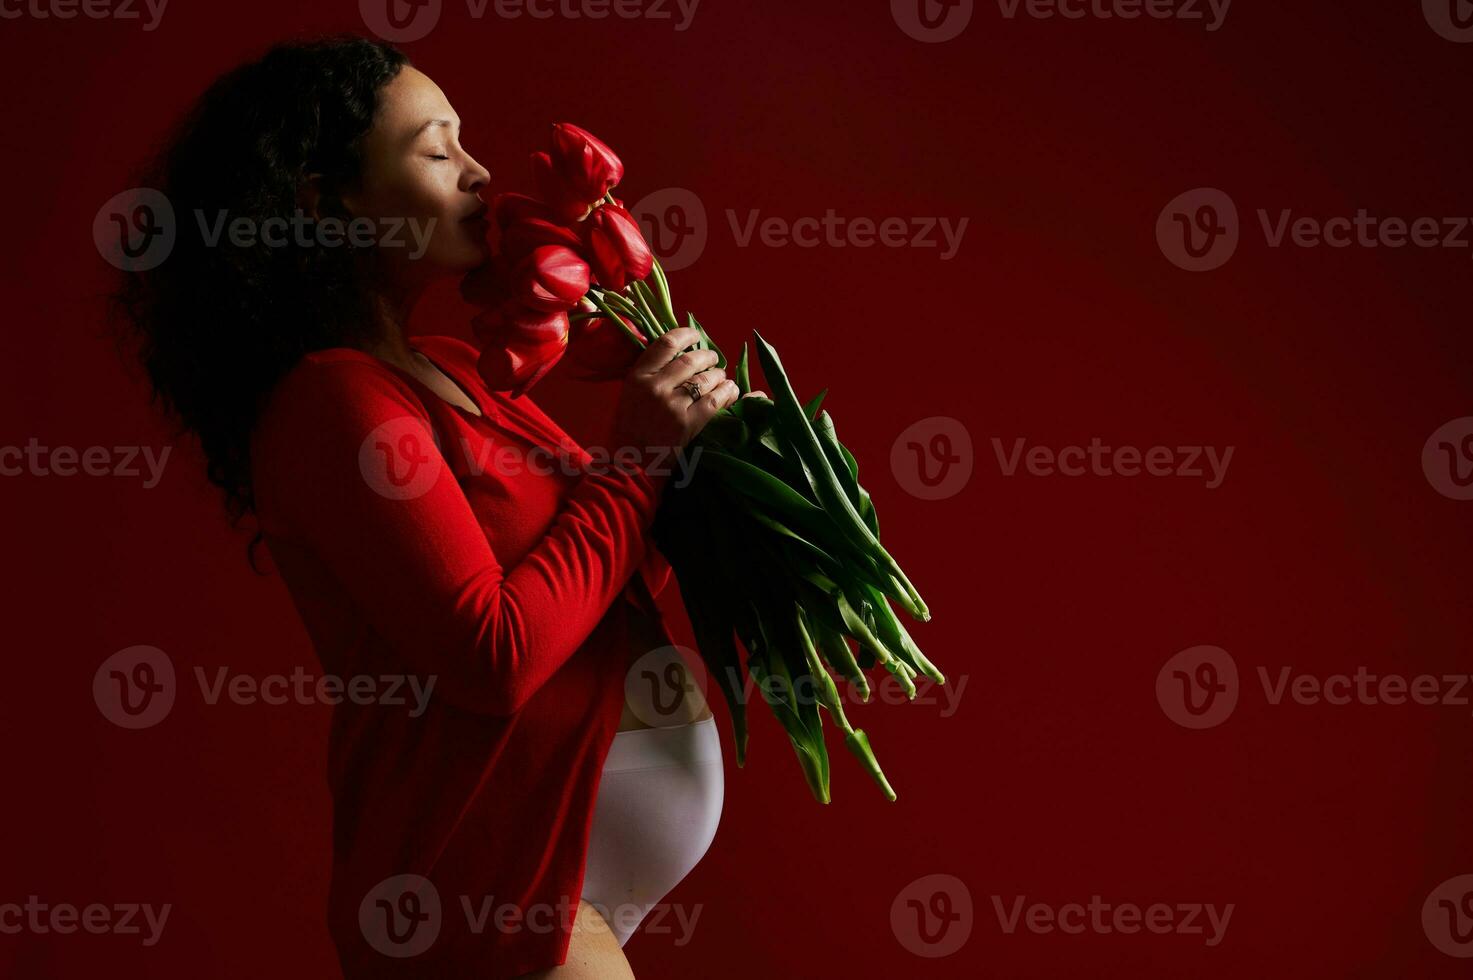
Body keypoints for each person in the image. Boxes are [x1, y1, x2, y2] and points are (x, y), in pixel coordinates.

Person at [113, 34, 751, 978]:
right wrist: (637, 458)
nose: (481, 171)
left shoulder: (455, 369)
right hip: (480, 889)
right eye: (437, 147)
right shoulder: (333, 400)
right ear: (324, 199)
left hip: (559, 878)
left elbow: (610, 573)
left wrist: (717, 458)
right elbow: (492, 657)